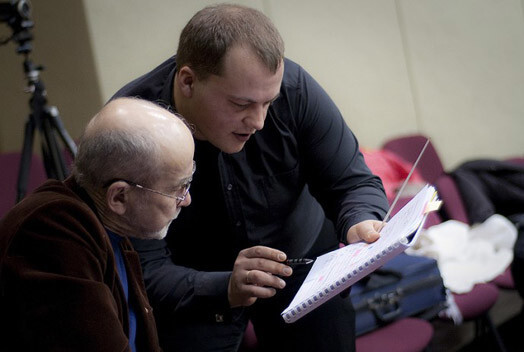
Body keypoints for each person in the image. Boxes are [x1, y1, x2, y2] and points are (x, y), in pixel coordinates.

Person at [112, 4, 389, 352]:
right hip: (192, 287)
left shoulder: (295, 90)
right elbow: (142, 267)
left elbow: (353, 183)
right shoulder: (130, 128)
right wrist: (224, 287)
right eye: (241, 104)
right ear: (187, 81)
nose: (258, 121)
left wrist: (362, 222)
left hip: (301, 266)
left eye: (268, 103)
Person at [0, 97, 195, 351]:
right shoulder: (52, 230)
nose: (186, 199)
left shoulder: (108, 225)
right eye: (177, 188)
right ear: (119, 197)